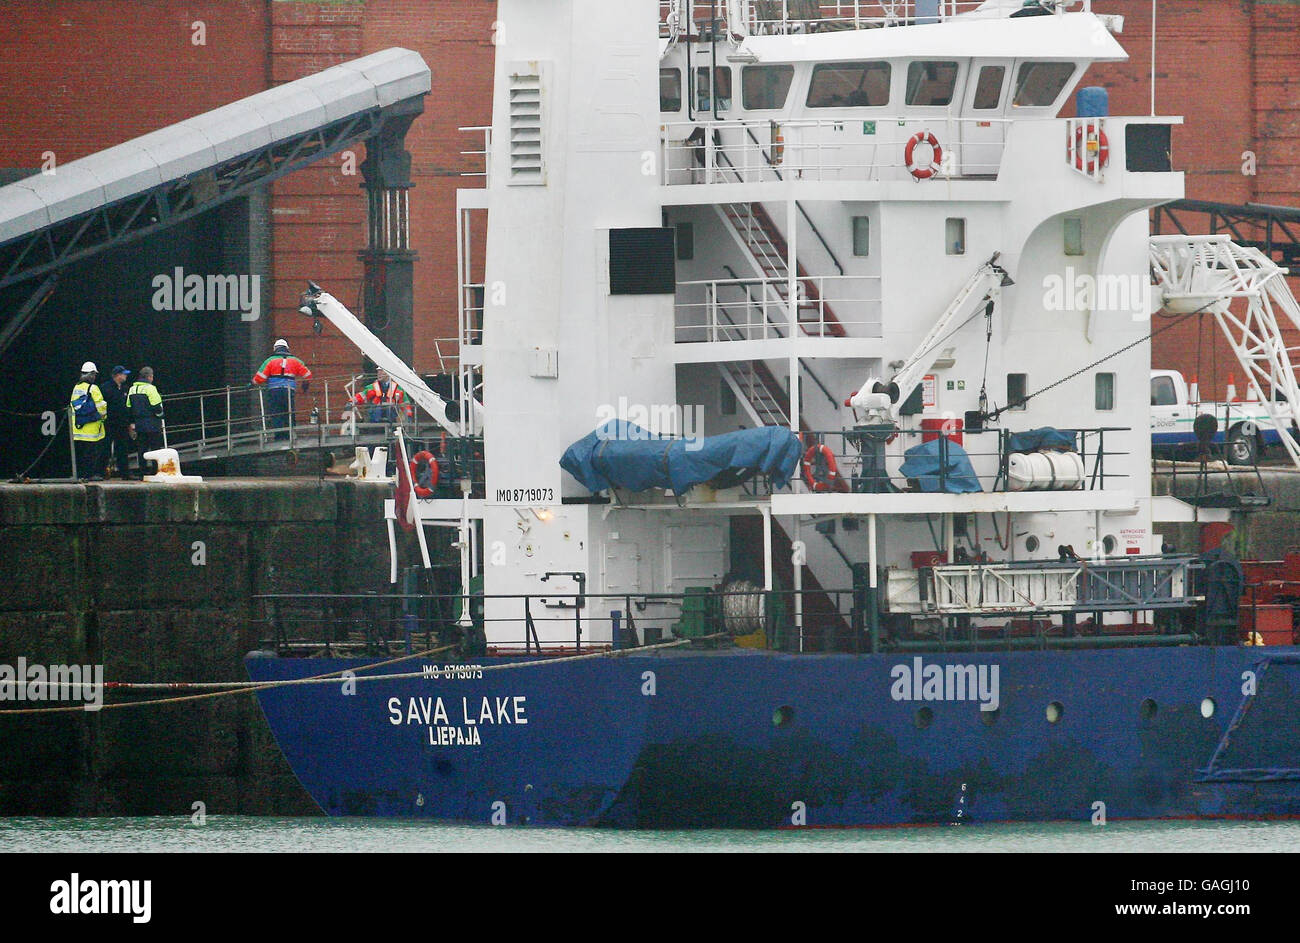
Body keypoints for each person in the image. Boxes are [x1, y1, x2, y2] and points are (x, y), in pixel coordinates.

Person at [252, 339, 312, 441]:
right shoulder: (296, 361)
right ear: (287, 348)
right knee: (289, 412)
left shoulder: (270, 361)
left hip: (274, 390)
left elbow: (260, 378)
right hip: (289, 390)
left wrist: (251, 383)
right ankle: (291, 434)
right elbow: (307, 375)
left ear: (275, 348)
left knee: (277, 413)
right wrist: (305, 385)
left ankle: (279, 437)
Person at [70, 362, 107, 481]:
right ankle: (90, 475)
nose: (95, 377)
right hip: (92, 428)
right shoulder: (93, 388)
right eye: (94, 374)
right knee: (91, 454)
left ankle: (80, 475)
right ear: (90, 375)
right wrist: (103, 417)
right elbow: (101, 407)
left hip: (78, 428)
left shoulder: (76, 388)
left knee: (80, 454)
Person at [100, 365, 135, 480]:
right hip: (109, 423)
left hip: (122, 424)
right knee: (105, 448)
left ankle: (125, 473)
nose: (126, 376)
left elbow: (128, 407)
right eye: (124, 373)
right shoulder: (105, 388)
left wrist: (130, 422)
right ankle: (101, 472)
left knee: (123, 449)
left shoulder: (125, 389)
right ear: (117, 375)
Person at [128, 366, 165, 475]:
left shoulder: (132, 389)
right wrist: (161, 415)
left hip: (139, 424)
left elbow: (128, 407)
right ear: (149, 376)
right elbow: (157, 406)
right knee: (155, 449)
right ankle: (155, 471)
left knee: (141, 449)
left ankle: (142, 472)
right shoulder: (151, 388)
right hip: (153, 423)